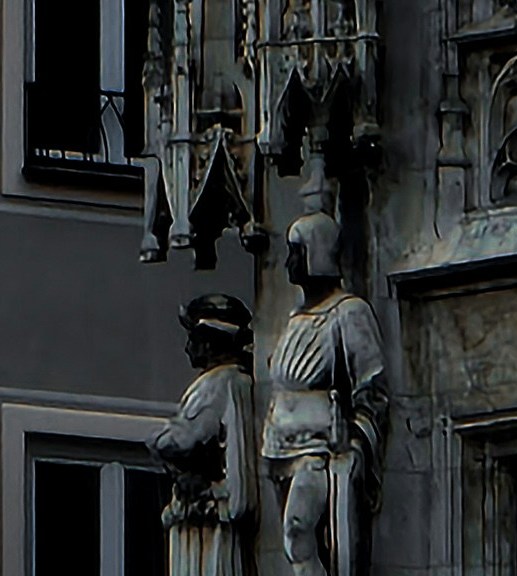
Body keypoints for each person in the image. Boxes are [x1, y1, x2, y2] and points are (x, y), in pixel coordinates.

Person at [262, 213, 389, 576]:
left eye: (295, 253)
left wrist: (357, 437)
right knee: (294, 543)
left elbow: (372, 386)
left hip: (319, 447)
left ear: (316, 254)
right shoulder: (294, 317)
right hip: (279, 447)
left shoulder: (348, 313)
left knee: (298, 531)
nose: (288, 262)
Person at [151, 287, 258, 576]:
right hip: (201, 513)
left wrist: (158, 442)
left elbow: (182, 439)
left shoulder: (221, 383)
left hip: (210, 517)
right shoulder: (223, 382)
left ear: (209, 343)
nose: (187, 348)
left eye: (192, 340)